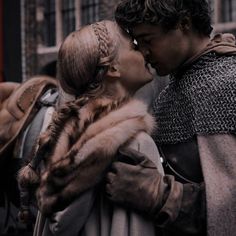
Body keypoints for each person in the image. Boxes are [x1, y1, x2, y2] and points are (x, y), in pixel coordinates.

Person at [18, 20, 164, 236]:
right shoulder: (135, 143)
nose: (143, 50)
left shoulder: (61, 138)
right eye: (134, 46)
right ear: (113, 68)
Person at [105, 0, 236, 236]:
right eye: (137, 43)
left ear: (183, 24)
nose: (143, 52)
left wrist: (161, 195)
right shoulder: (166, 96)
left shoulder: (230, 82)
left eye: (148, 40)